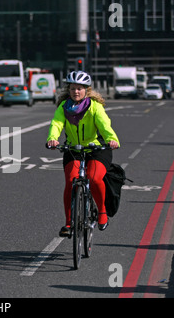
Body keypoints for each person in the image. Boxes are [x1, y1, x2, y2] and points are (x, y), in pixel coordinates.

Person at [46, 71, 120, 236]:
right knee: (71, 180)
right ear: (69, 89)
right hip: (74, 149)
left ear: (87, 90)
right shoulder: (63, 107)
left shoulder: (95, 107)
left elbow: (104, 125)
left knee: (93, 178)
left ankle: (101, 212)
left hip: (97, 148)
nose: (76, 92)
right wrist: (53, 139)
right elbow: (56, 124)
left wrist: (112, 139)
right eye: (73, 88)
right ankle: (69, 223)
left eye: (79, 88)